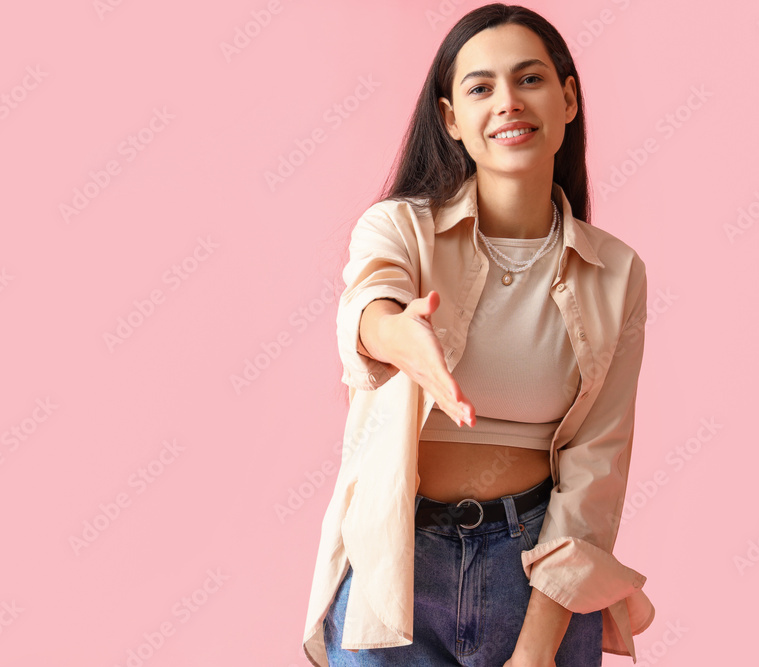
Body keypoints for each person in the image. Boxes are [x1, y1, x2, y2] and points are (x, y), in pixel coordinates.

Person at [302, 4, 655, 666]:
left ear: (568, 97)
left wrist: (533, 649)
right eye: (480, 87)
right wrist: (402, 337)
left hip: (537, 574)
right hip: (399, 569)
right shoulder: (399, 228)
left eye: (530, 79)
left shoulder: (617, 273)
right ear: (450, 119)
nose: (508, 103)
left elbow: (595, 470)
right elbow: (370, 307)